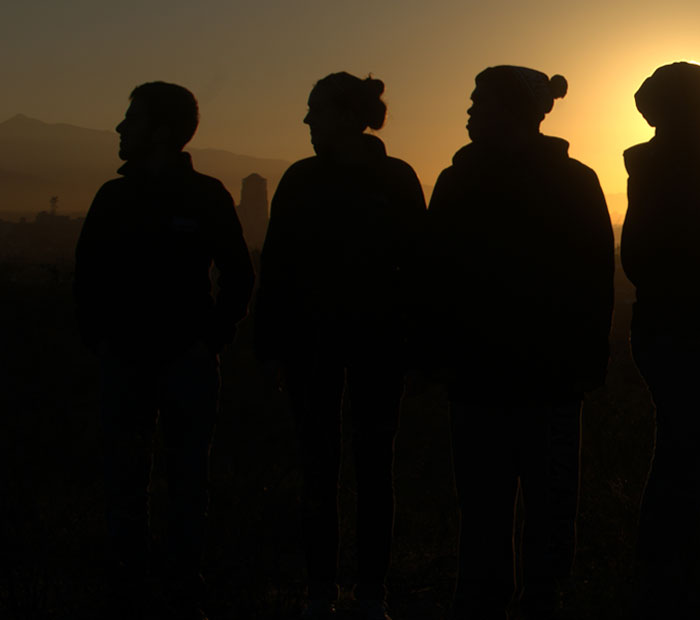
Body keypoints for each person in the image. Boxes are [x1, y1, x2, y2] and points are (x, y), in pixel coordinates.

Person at [412, 65, 613, 620]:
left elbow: (595, 283)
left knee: (515, 509)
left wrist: (585, 364)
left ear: (514, 111)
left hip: (535, 377)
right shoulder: (474, 180)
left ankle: (525, 601)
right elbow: (435, 276)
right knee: (498, 509)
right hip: (499, 376)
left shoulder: (558, 182)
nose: (470, 112)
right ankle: (504, 600)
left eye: (480, 101)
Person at [74, 81, 254, 620]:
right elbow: (87, 278)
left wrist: (208, 341)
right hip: (127, 360)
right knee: (127, 482)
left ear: (161, 132)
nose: (119, 128)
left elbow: (239, 276)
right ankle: (129, 590)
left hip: (185, 363)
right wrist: (101, 340)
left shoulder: (206, 195)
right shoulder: (114, 196)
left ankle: (180, 590)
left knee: (183, 483)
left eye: (131, 119)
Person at [254, 72, 426, 620]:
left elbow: (277, 268)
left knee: (334, 468)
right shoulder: (389, 178)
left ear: (345, 115)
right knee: (362, 468)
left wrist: (270, 346)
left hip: (340, 344)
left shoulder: (309, 180)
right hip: (358, 344)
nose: (307, 121)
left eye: (315, 110)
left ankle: (333, 592)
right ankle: (351, 593)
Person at [621, 61, 700, 618]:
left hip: (679, 329)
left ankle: (665, 571)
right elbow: (651, 256)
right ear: (689, 105)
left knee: (682, 451)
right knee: (686, 455)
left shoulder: (677, 161)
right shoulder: (683, 163)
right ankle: (664, 574)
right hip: (686, 332)